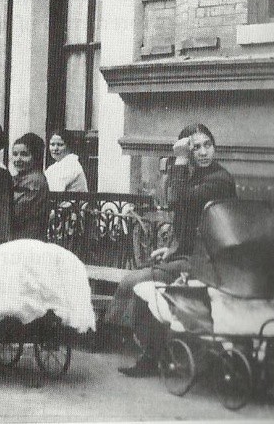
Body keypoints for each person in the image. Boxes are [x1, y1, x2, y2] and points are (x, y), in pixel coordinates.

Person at [106, 123, 236, 377]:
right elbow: (189, 220)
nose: (202, 152)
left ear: (215, 147)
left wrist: (178, 160)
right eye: (195, 147)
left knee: (138, 282)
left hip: (207, 264)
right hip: (190, 257)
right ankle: (151, 353)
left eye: (207, 145)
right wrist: (170, 249)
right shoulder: (197, 177)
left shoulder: (220, 180)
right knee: (139, 281)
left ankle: (131, 345)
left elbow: (178, 200)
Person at [11, 132, 49, 240]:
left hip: (27, 238)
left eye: (24, 154)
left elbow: (18, 211)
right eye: (15, 154)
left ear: (35, 157)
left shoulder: (34, 181)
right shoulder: (19, 178)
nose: (18, 159)